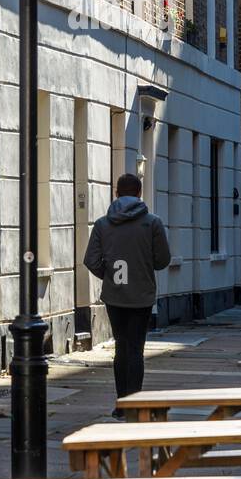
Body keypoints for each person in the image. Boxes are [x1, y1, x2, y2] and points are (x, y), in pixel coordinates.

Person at [83, 173, 171, 416]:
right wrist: (144, 265)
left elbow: (90, 259)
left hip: (114, 296)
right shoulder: (152, 223)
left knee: (121, 348)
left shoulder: (103, 224)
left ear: (116, 193)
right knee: (136, 349)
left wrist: (109, 275)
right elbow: (163, 260)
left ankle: (121, 404)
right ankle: (135, 403)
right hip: (141, 294)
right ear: (140, 193)